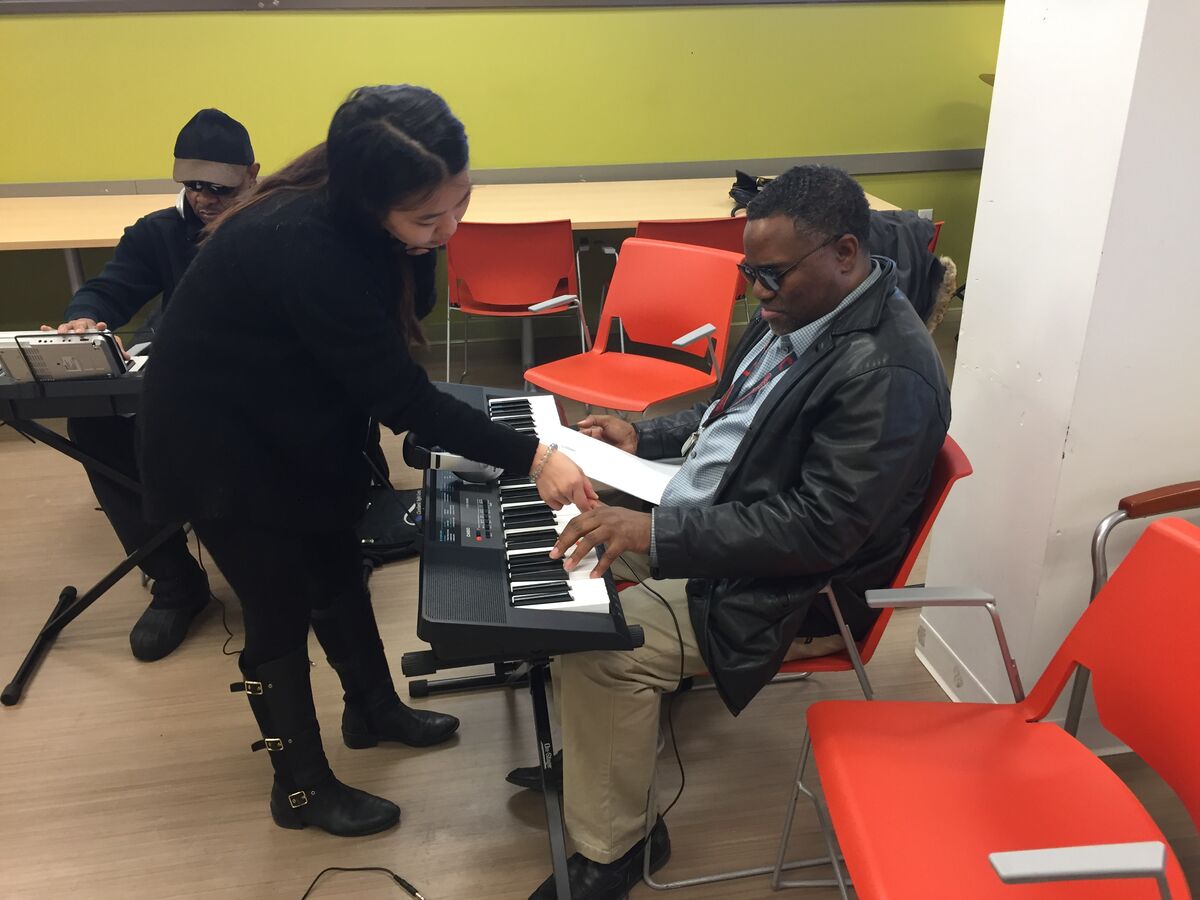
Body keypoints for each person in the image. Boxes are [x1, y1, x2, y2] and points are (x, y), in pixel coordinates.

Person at [137, 84, 597, 838]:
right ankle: (300, 791)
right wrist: (533, 456)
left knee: (337, 566)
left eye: (461, 203)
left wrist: (415, 241)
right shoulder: (310, 246)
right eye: (427, 217)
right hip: (217, 445)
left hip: (291, 419)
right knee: (278, 609)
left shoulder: (360, 218)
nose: (450, 229)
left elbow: (407, 313)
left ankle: (373, 710)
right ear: (364, 199)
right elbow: (402, 397)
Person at [507, 165, 952, 899]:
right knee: (565, 542)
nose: (755, 292)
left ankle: (616, 849)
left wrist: (659, 533)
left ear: (846, 252)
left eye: (770, 275)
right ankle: (600, 764)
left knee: (602, 645)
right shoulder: (800, 308)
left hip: (793, 591)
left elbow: (821, 530)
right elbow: (731, 413)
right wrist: (642, 438)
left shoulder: (888, 373)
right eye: (750, 272)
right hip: (711, 517)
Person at [43, 108, 259, 662]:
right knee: (92, 422)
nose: (204, 198)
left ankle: (266, 574)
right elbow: (108, 289)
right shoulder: (158, 233)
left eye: (219, 187)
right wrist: (84, 319)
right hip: (172, 378)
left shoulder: (280, 226)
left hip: (256, 386)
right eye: (193, 186)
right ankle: (175, 584)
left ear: (252, 176)